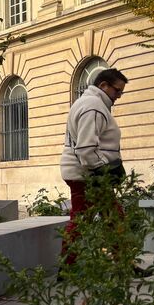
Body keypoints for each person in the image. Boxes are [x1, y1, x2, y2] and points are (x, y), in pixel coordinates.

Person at [60, 67, 128, 265]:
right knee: (83, 220)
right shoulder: (94, 106)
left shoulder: (90, 103)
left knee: (111, 217)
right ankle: (66, 267)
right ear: (103, 85)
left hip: (85, 173)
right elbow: (86, 148)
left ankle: (123, 262)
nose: (119, 96)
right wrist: (106, 170)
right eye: (117, 91)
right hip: (88, 175)